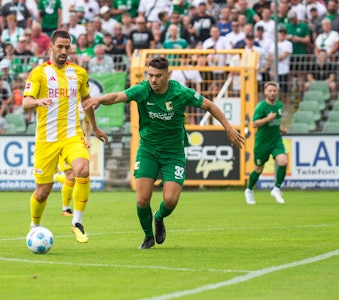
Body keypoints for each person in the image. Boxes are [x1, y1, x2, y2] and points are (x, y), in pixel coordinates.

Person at [82, 57, 244, 249]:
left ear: (168, 75)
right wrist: (97, 99)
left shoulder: (180, 92)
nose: (153, 80)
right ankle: (148, 237)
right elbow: (118, 97)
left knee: (170, 200)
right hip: (148, 149)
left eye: (158, 76)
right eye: (150, 75)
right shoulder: (143, 90)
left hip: (173, 152)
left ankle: (159, 218)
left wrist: (228, 128)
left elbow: (209, 105)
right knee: (142, 199)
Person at [22, 30, 108, 243]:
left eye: (67, 47)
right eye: (59, 47)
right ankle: (35, 226)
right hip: (46, 139)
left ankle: (77, 222)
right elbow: (25, 103)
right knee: (42, 192)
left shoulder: (79, 73)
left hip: (72, 135)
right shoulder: (39, 73)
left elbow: (87, 102)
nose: (63, 51)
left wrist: (95, 128)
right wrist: (37, 101)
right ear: (50, 47)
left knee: (83, 169)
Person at [244, 81, 287, 205]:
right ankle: (249, 190)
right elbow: (254, 123)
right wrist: (268, 118)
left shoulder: (279, 105)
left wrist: (280, 128)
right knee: (258, 168)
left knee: (283, 161)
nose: (272, 93)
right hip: (262, 143)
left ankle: (276, 189)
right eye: (270, 91)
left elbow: (275, 123)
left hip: (276, 141)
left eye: (274, 91)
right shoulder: (261, 107)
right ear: (265, 92)